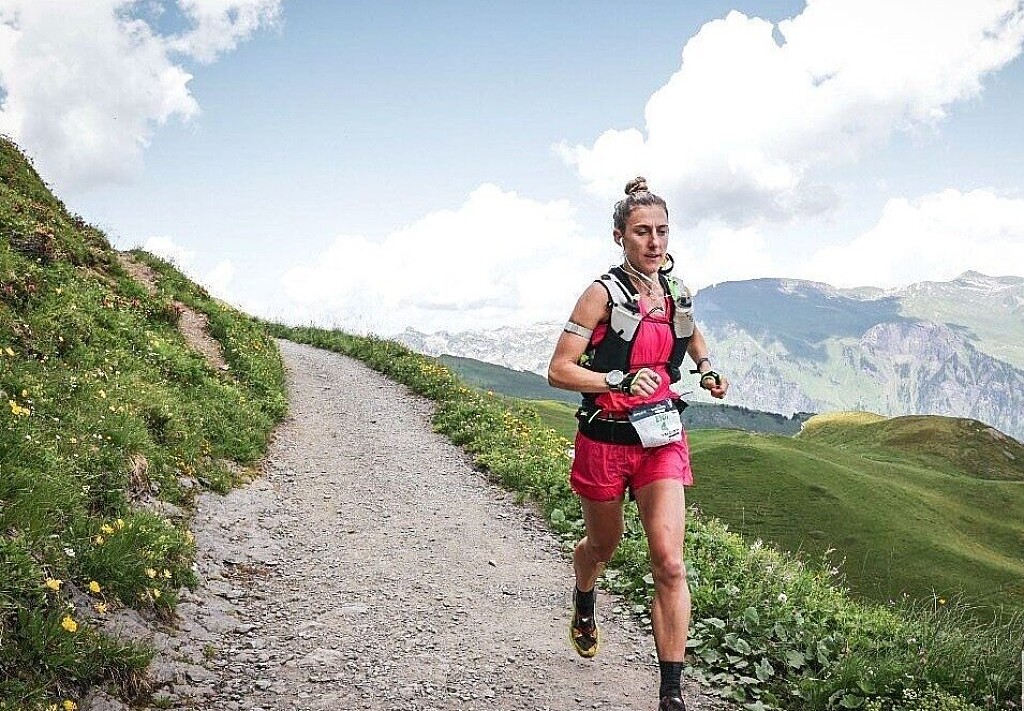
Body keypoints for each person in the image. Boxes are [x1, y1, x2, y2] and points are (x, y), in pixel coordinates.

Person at [547, 177, 728, 711]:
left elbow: (690, 332)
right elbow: (558, 370)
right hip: (605, 438)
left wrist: (706, 367)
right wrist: (618, 381)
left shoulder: (676, 292)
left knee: (669, 562)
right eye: (642, 232)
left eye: (662, 231)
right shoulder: (600, 295)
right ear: (619, 236)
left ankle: (671, 693)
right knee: (602, 547)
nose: (654, 242)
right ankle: (585, 593)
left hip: (661, 439)